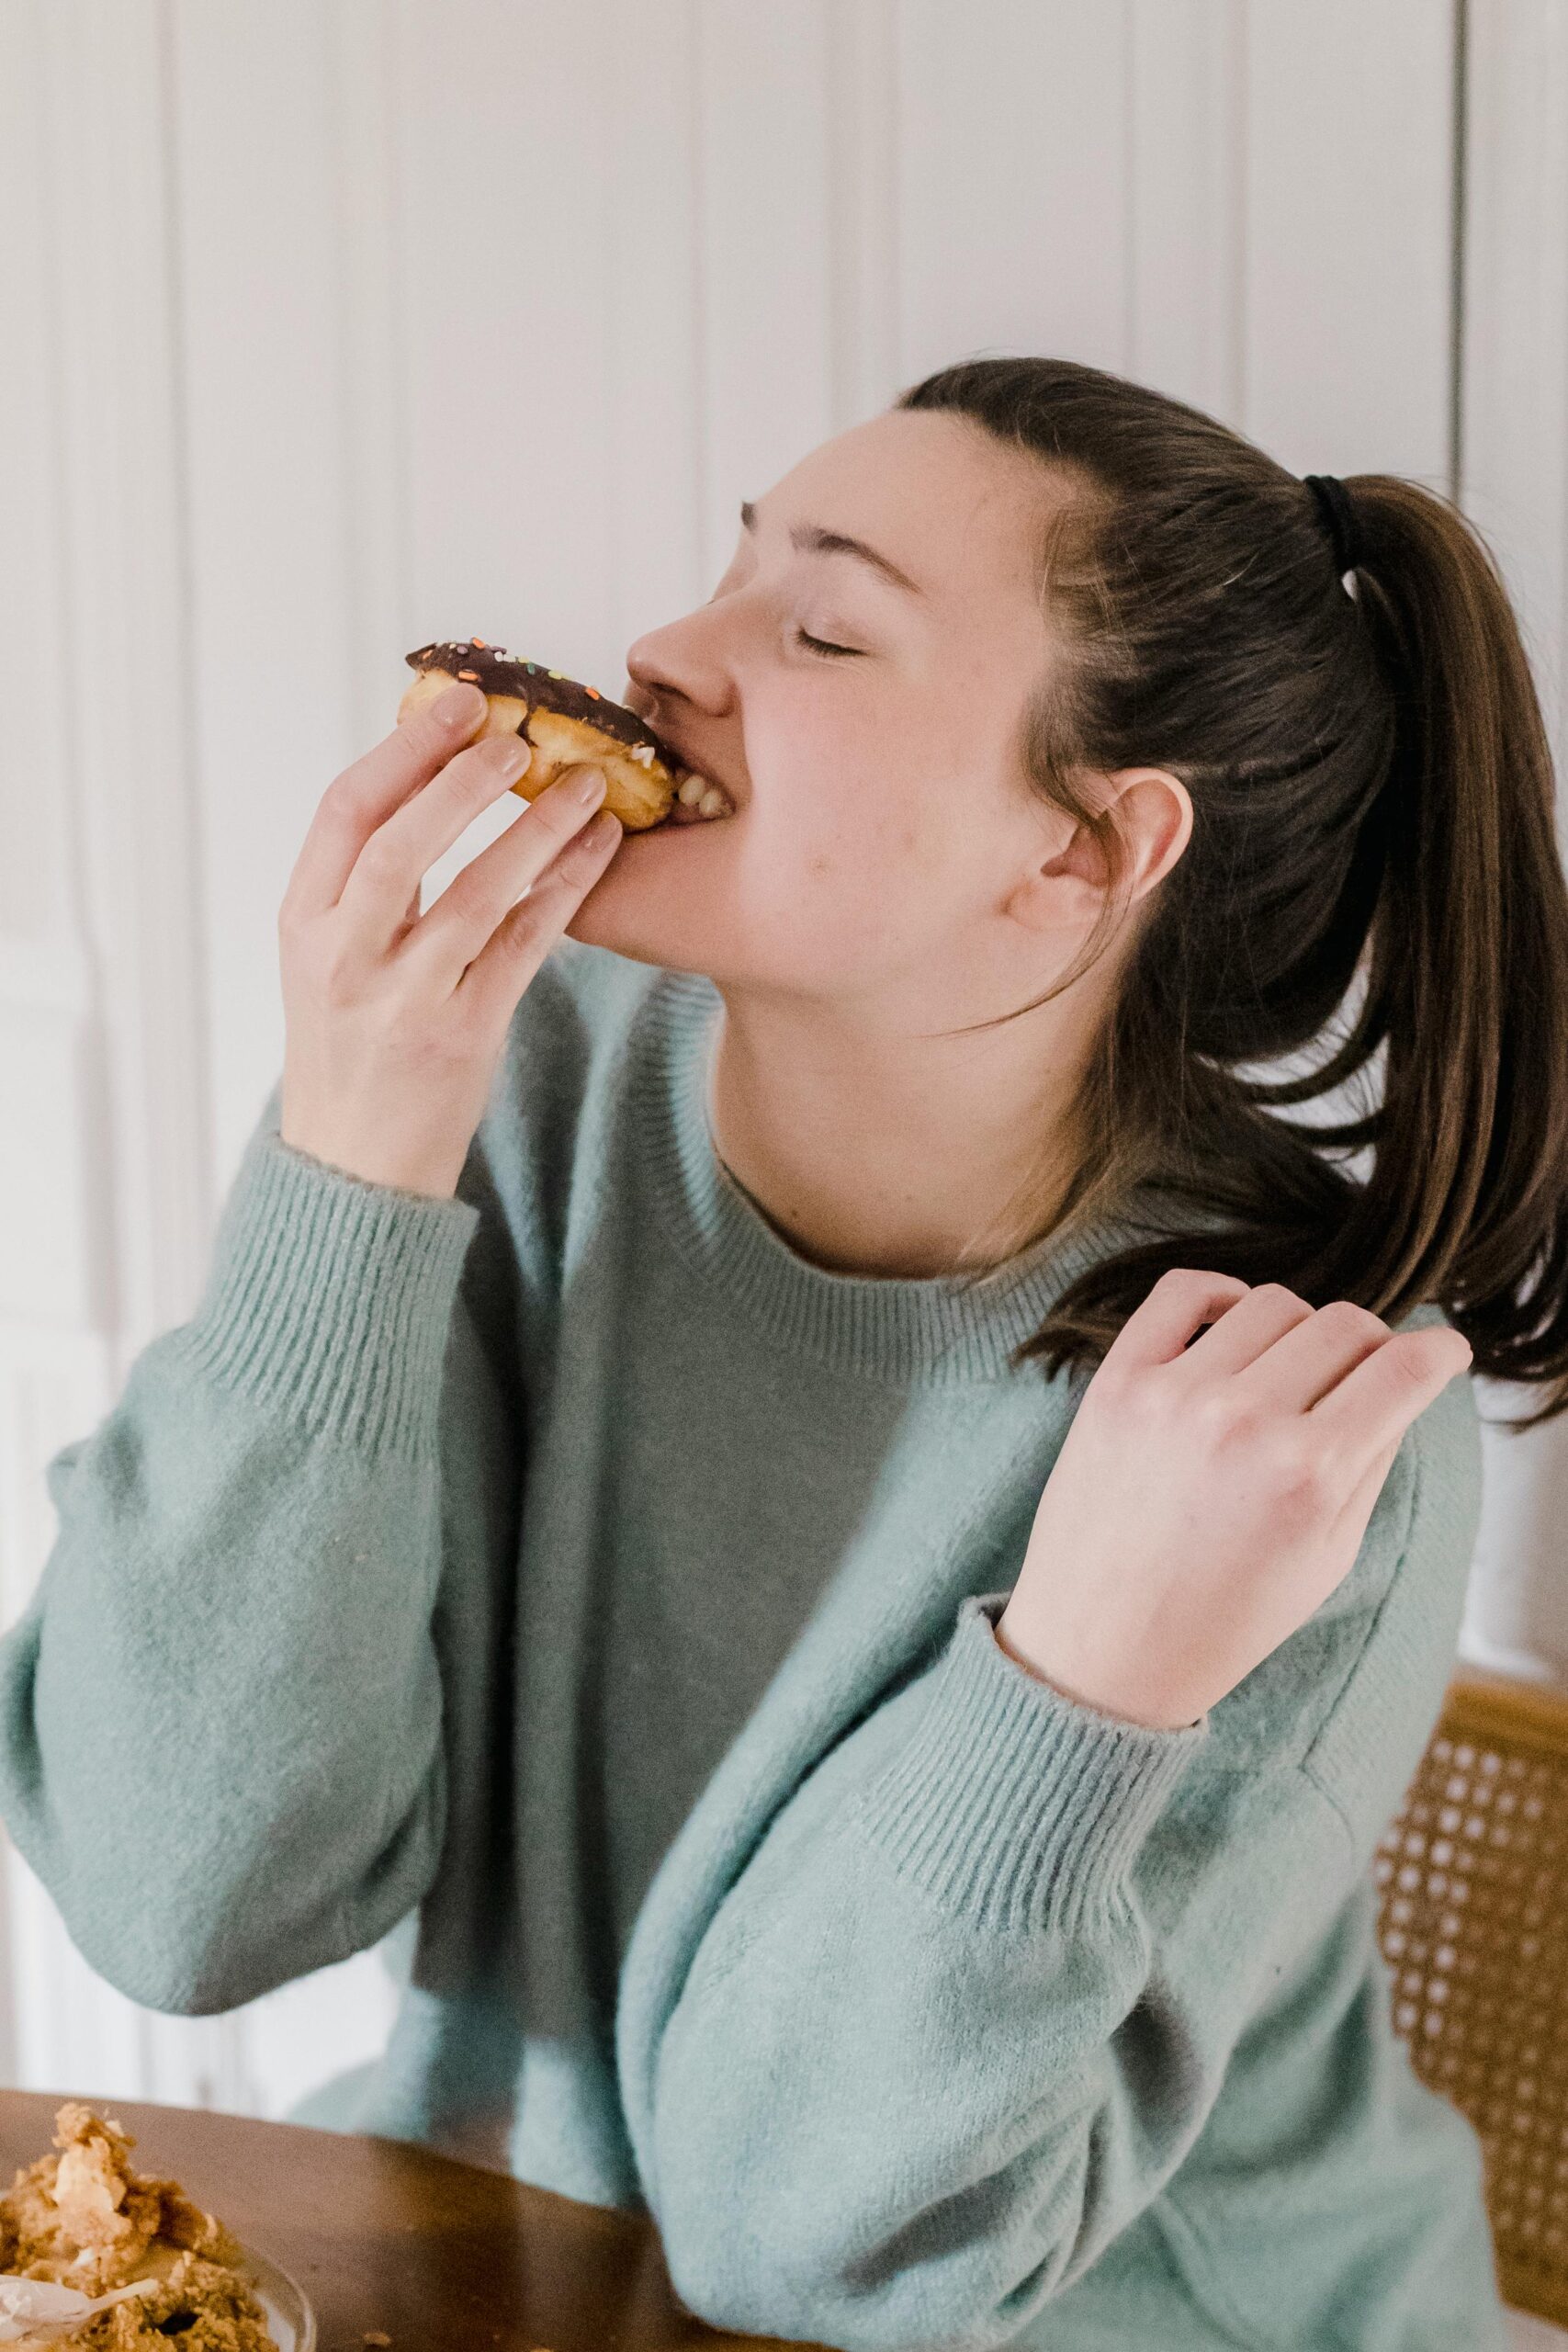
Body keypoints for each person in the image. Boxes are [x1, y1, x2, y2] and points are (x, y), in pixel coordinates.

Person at [4, 355, 1566, 2351]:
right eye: (732, 569)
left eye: (819, 625)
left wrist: (1075, 1681)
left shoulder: (1285, 1418)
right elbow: (179, 1893)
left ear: (1081, 849)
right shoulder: (505, 1074)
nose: (664, 650)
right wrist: (344, 1166)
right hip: (535, 2254)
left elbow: (807, 2244)